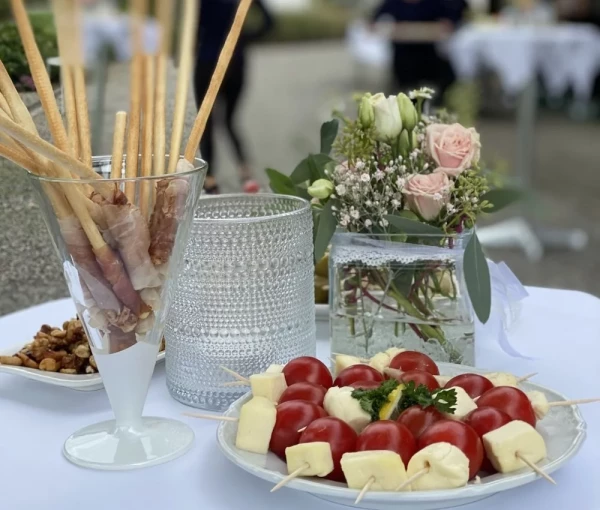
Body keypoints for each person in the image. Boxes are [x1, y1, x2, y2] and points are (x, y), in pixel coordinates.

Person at [194, 0, 274, 194]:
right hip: (235, 61)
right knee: (229, 120)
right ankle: (245, 172)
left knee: (206, 123)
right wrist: (243, 38)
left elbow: (190, 27)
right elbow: (269, 22)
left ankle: (210, 179)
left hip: (207, 60)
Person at [372, 0, 467, 102]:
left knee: (447, 79)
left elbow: (449, 24)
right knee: (407, 85)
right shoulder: (392, 3)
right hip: (403, 55)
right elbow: (375, 24)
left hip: (430, 54)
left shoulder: (436, 3)